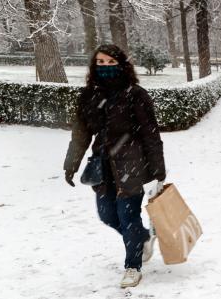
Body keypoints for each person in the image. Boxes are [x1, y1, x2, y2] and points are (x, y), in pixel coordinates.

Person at [63, 44, 166, 289]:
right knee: (107, 214)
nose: (106, 68)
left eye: (111, 63)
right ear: (93, 66)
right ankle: (141, 239)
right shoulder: (89, 95)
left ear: (121, 65)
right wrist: (71, 164)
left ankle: (132, 266)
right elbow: (81, 133)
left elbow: (151, 135)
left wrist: (158, 173)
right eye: (101, 63)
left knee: (128, 215)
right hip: (102, 165)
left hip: (132, 164)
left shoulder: (135, 94)